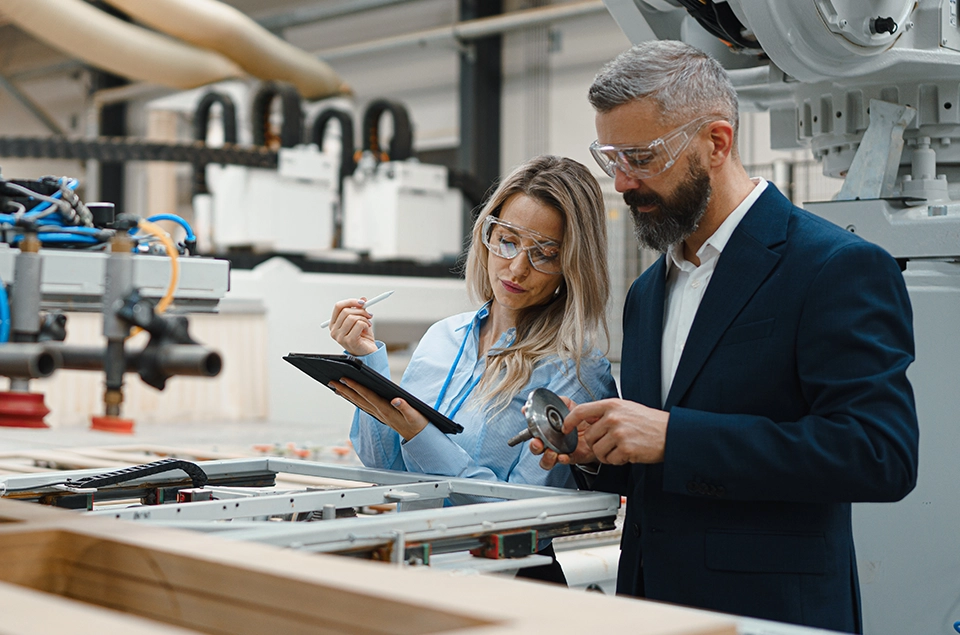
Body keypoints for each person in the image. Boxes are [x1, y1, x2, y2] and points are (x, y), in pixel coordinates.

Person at [531, 41, 919, 632]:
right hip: (649, 606)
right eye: (611, 158)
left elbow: (878, 454)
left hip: (770, 615)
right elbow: (658, 462)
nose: (622, 183)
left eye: (640, 157)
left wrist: (672, 436)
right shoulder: (648, 293)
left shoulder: (833, 267)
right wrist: (598, 453)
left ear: (716, 142)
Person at [327, 154, 619, 584]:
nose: (517, 267)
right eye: (507, 240)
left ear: (572, 265)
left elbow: (523, 518)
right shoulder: (443, 337)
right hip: (416, 563)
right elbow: (382, 466)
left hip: (507, 580)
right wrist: (368, 361)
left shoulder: (574, 369)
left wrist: (420, 435)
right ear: (488, 233)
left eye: (545, 253)